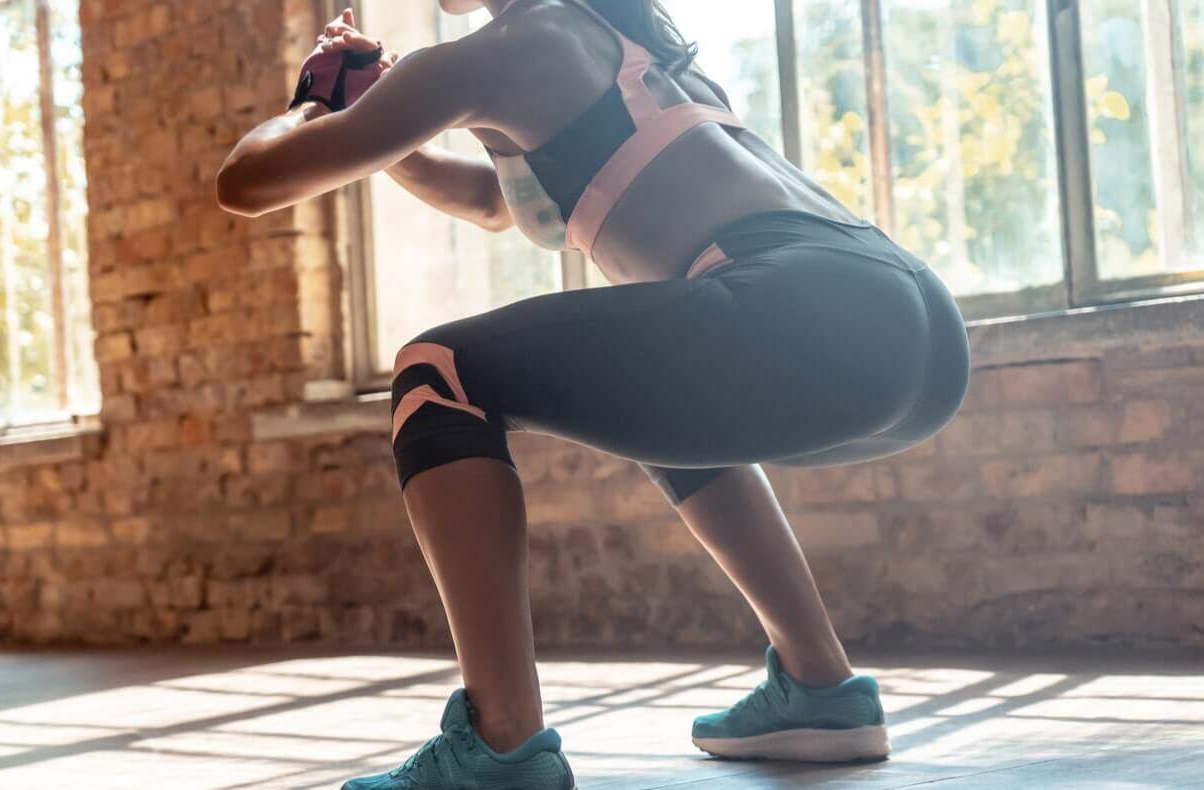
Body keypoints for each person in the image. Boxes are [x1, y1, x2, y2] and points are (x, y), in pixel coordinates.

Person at [217, 1, 970, 786]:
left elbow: (246, 182)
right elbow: (492, 201)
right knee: (661, 396)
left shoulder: (506, 46)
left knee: (436, 370)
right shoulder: (630, 42)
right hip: (907, 329)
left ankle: (501, 746)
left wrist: (317, 100)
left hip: (801, 313)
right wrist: (374, 119)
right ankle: (822, 689)